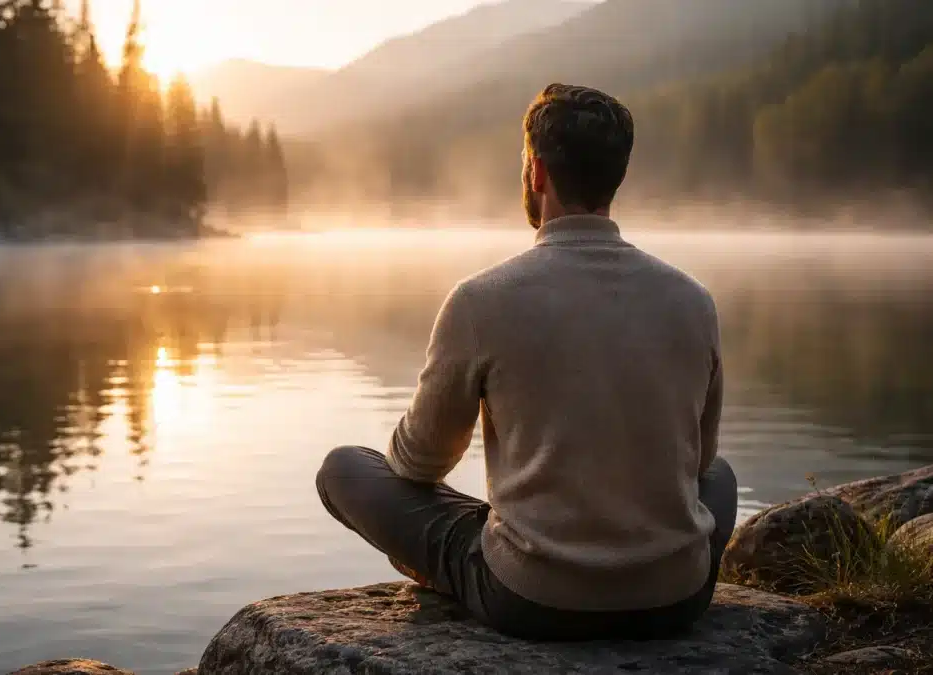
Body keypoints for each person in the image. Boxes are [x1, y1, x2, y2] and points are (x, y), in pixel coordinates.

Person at [315, 83, 738, 642]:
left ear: (537, 173)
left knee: (344, 469)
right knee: (724, 478)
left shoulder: (480, 300)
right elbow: (701, 462)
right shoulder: (694, 300)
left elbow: (420, 464)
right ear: (617, 176)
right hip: (676, 598)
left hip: (532, 598)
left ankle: (449, 575)